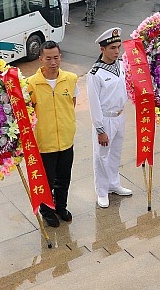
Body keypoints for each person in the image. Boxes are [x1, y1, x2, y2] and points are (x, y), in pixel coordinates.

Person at [27, 41, 79, 228]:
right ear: (40, 59)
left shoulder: (70, 79)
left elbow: (71, 104)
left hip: (66, 139)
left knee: (64, 178)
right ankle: (47, 211)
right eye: (48, 58)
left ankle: (61, 207)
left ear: (60, 57)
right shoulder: (31, 84)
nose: (53, 62)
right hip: (44, 141)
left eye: (56, 58)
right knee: (46, 181)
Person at [88, 27, 132, 208]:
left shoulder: (120, 65)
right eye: (112, 48)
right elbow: (94, 104)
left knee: (115, 153)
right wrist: (100, 130)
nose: (116, 51)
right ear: (102, 49)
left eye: (118, 47)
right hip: (105, 119)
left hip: (119, 116)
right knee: (101, 157)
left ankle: (114, 184)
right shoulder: (95, 74)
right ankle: (102, 191)